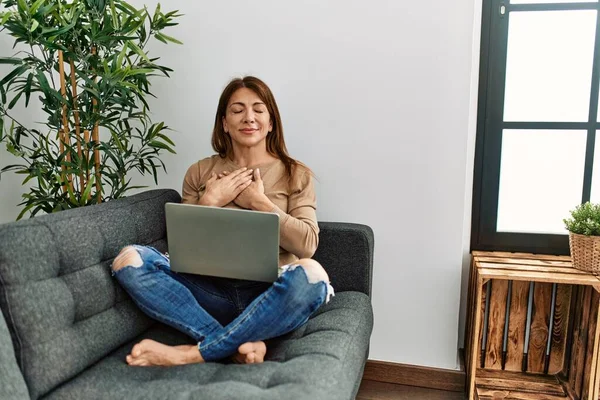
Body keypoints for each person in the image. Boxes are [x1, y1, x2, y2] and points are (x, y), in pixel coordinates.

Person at [111, 76, 334, 367]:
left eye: (258, 109)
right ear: (225, 122)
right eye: (237, 109)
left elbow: (307, 245)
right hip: (208, 292)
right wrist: (209, 201)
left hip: (269, 292)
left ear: (271, 122)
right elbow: (182, 246)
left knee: (313, 275)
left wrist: (259, 203)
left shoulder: (295, 173)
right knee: (128, 260)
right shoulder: (200, 172)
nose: (249, 117)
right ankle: (233, 343)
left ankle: (192, 353)